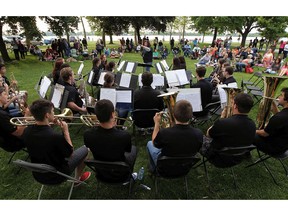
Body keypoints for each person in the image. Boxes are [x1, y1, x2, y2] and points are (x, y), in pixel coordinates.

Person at [22, 99, 90, 185]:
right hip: (58, 174)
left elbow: (42, 138)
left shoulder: (26, 131)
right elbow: (70, 154)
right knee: (86, 149)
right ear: (47, 115)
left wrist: (48, 126)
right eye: (53, 111)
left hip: (39, 174)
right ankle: (77, 180)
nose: (54, 113)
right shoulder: (55, 137)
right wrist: (65, 131)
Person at [147, 100, 203, 172]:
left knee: (149, 143)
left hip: (164, 169)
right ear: (191, 115)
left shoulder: (164, 133)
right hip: (184, 168)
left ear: (173, 115)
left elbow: (155, 143)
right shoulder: (199, 133)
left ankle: (153, 168)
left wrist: (157, 123)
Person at [201, 93, 256, 167]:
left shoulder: (223, 122)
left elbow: (208, 134)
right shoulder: (253, 124)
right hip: (236, 159)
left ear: (235, 106)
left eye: (233, 103)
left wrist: (221, 119)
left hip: (216, 157)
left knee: (198, 135)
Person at [84, 99, 137, 169]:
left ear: (96, 116)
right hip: (120, 173)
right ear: (112, 114)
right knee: (134, 149)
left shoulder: (87, 134)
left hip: (101, 172)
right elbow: (127, 150)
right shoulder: (125, 135)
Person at [254, 88, 288, 155]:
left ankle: (242, 153)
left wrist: (253, 130)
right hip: (284, 147)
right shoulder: (283, 114)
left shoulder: (279, 117)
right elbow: (281, 117)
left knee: (248, 133)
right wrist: (273, 104)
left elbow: (264, 133)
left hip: (275, 149)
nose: (278, 97)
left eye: (281, 95)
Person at [0, 86, 28, 152]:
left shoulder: (2, 112)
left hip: (7, 139)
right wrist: (27, 115)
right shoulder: (2, 115)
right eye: (5, 94)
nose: (7, 96)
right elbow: (18, 133)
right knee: (39, 128)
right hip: (13, 143)